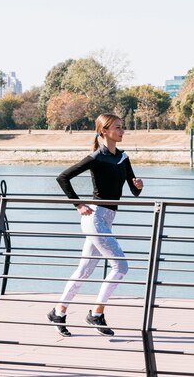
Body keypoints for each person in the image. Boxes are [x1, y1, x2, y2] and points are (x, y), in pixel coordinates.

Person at [47, 113, 143, 337]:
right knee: (121, 266)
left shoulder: (123, 157)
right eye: (117, 128)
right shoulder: (96, 157)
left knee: (84, 270)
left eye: (122, 127)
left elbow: (133, 190)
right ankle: (97, 314)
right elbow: (63, 178)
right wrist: (78, 205)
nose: (122, 131)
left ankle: (58, 312)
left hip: (108, 218)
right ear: (104, 131)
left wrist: (139, 185)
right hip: (95, 217)